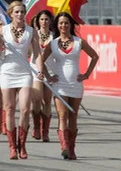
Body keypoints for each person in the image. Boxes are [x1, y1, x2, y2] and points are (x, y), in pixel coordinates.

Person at [40, 12, 99, 160]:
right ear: (57, 26)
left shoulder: (79, 42)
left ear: (71, 25)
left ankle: (72, 149)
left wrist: (86, 74)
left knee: (73, 116)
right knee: (62, 115)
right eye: (61, 23)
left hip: (76, 84)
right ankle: (64, 146)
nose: (63, 26)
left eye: (66, 23)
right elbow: (41, 60)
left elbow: (94, 56)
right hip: (59, 84)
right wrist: (47, 76)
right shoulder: (53, 43)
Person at [0, 1, 44, 160]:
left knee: (24, 109)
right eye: (17, 12)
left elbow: (37, 54)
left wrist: (41, 70)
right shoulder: (3, 30)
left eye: (22, 12)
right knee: (9, 108)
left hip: (24, 73)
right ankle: (12, 147)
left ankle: (22, 145)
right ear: (10, 14)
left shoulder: (31, 31)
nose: (20, 15)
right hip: (7, 72)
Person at [30, 10, 56, 142]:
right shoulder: (33, 35)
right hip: (36, 70)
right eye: (42, 19)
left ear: (50, 21)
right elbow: (29, 52)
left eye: (46, 19)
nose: (44, 22)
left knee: (47, 102)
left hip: (50, 72)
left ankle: (45, 131)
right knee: (36, 99)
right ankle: (36, 127)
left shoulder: (54, 36)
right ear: (37, 21)